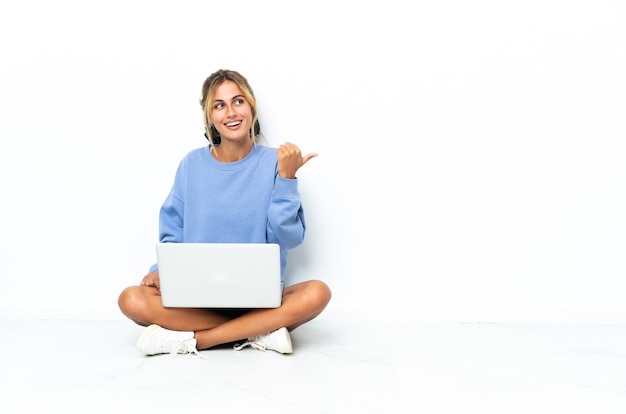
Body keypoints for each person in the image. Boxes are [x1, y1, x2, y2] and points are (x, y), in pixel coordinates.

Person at [118, 69, 332, 356]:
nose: (231, 112)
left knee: (318, 292)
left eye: (238, 101)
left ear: (252, 107)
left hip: (259, 299)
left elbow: (289, 237)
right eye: (219, 105)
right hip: (196, 299)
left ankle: (197, 340)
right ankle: (257, 331)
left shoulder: (276, 163)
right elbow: (173, 231)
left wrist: (287, 180)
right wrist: (160, 272)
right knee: (131, 299)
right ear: (210, 118)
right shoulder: (191, 165)